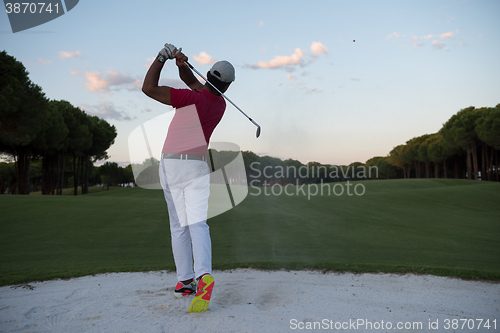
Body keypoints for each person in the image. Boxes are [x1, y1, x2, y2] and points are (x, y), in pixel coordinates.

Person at [142, 43, 235, 313]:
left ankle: (184, 282)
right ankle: (203, 276)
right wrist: (181, 64)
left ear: (208, 74)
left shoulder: (189, 98)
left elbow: (148, 88)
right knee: (197, 224)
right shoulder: (220, 104)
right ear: (227, 86)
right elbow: (194, 83)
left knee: (178, 226)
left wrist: (162, 58)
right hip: (197, 168)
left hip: (172, 165)